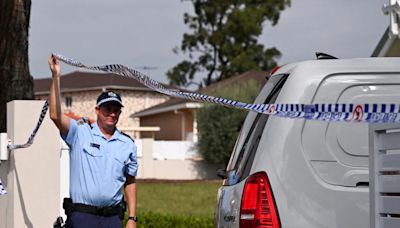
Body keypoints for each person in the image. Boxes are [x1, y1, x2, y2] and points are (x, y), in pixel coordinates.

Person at [48, 55, 138, 228]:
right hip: (83, 216)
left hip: (112, 218)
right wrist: (56, 76)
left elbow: (130, 181)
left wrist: (132, 218)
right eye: (107, 109)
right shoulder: (80, 132)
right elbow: (55, 115)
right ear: (97, 110)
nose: (112, 114)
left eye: (116, 110)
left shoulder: (127, 144)